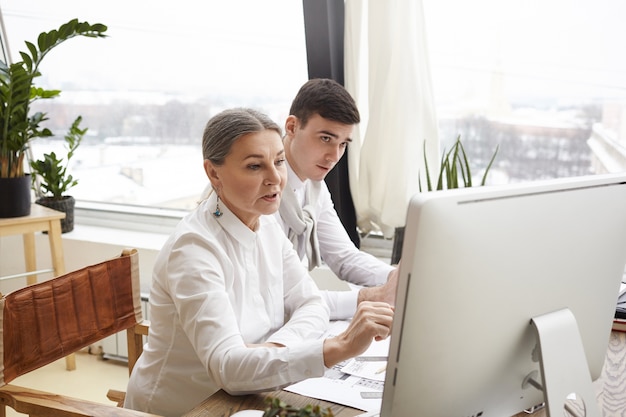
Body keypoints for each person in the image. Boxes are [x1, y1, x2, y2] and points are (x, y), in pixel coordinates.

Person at [124, 108, 394, 417]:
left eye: (279, 161)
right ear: (213, 173)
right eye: (255, 166)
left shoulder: (266, 225)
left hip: (251, 394)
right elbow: (229, 370)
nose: (275, 178)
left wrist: (274, 350)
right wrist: (337, 348)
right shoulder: (193, 249)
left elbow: (313, 304)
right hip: (187, 407)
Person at [278, 78, 399, 320]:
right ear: (292, 127)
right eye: (325, 138)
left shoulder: (315, 187)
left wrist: (395, 279)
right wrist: (372, 297)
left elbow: (343, 257)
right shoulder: (262, 189)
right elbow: (278, 293)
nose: (334, 156)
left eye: (343, 144)